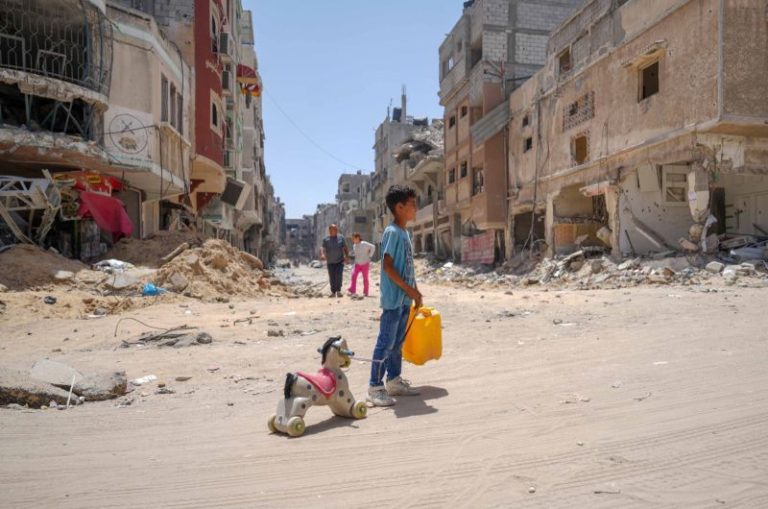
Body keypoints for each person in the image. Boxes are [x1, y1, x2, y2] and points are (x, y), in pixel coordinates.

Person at [367, 185, 422, 407]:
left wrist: (415, 292)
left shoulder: (405, 233)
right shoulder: (391, 232)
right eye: (412, 204)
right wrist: (409, 290)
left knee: (397, 343)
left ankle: (394, 380)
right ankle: (375, 387)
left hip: (405, 299)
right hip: (393, 300)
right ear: (399, 207)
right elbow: (388, 266)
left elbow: (407, 267)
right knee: (386, 343)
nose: (415, 208)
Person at [320, 224, 349, 298]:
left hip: (340, 261)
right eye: (333, 229)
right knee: (332, 277)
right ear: (330, 231)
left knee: (338, 276)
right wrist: (322, 254)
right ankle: (333, 292)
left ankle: (338, 291)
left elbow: (345, 248)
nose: (335, 231)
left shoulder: (341, 237)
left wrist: (346, 256)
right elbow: (322, 248)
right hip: (330, 262)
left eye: (336, 229)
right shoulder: (326, 239)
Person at [347, 233, 375, 297]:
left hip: (365, 264)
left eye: (353, 239)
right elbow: (356, 254)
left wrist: (370, 255)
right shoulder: (354, 245)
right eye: (352, 239)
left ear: (358, 238)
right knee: (353, 276)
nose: (352, 240)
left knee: (365, 278)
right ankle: (353, 290)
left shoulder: (364, 243)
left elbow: (373, 247)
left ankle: (365, 292)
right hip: (357, 264)